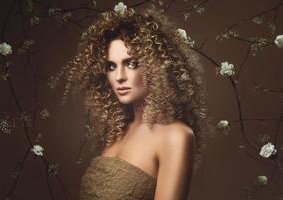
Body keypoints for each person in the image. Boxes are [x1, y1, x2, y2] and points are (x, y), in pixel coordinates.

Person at [60, 2, 211, 200]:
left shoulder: (176, 136)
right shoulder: (117, 131)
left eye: (131, 64)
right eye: (111, 66)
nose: (119, 76)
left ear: (154, 66)